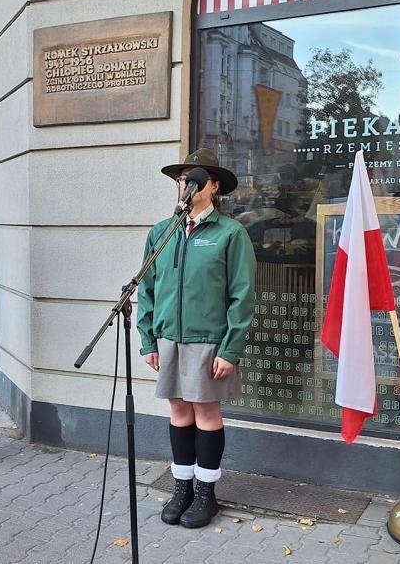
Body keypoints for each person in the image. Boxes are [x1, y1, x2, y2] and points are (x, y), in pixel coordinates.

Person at [137, 147, 256, 529]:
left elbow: (242, 294)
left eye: (195, 178)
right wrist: (149, 339)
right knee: (178, 410)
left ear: (213, 186)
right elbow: (147, 290)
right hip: (170, 336)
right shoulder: (162, 231)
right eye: (181, 179)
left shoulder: (230, 233)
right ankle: (182, 487)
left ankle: (206, 493)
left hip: (210, 340)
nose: (186, 184)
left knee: (206, 412)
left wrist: (231, 348)